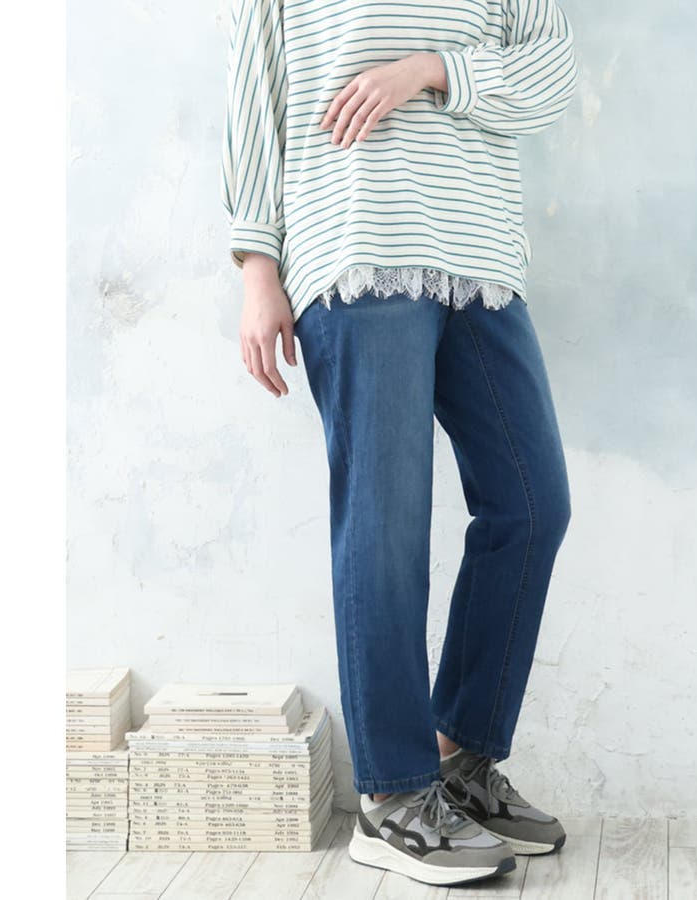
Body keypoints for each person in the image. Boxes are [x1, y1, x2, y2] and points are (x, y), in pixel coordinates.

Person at [221, 0, 578, 887]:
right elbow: (255, 93)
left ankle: (458, 760)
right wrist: (258, 270)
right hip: (355, 249)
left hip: (480, 259)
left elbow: (550, 74)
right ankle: (392, 796)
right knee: (385, 531)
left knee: (532, 506)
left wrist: (431, 69)